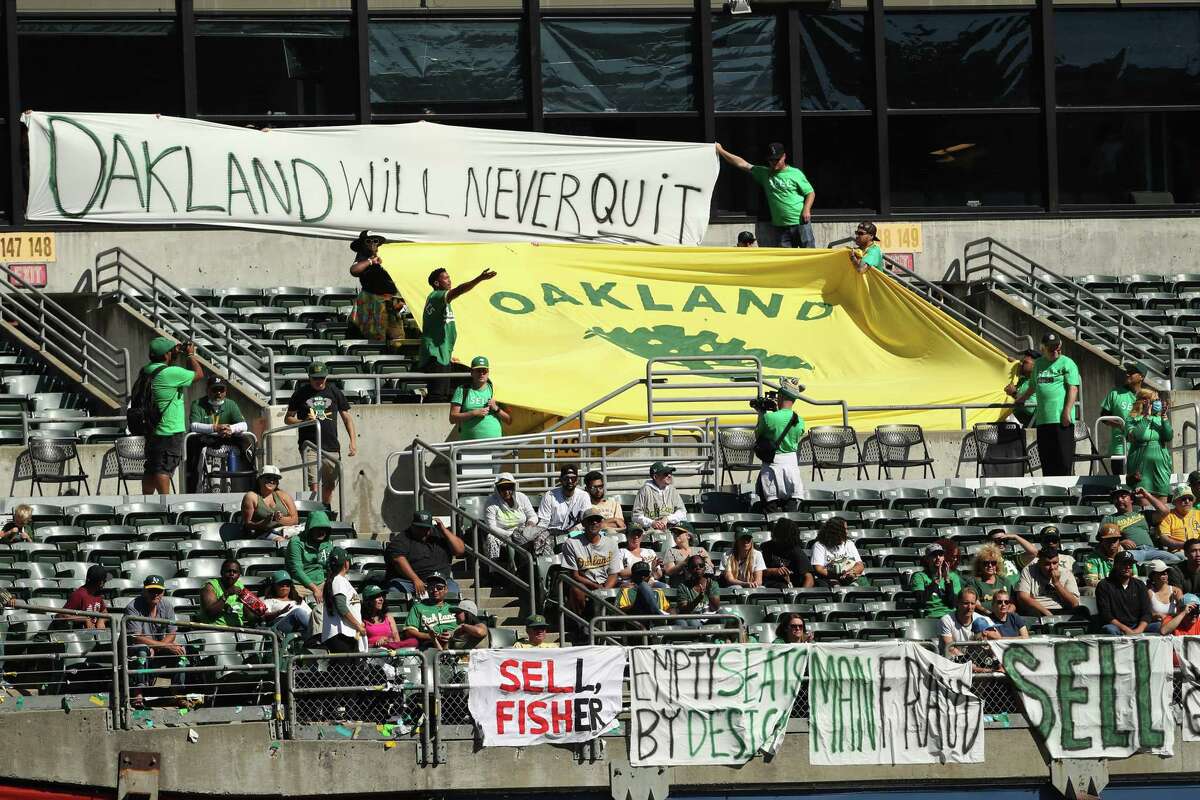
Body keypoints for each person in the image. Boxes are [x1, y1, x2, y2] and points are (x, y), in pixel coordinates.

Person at [418, 266, 498, 402]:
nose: (450, 280)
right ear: (437, 283)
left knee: (455, 390)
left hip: (443, 354)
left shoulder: (440, 301)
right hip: (436, 355)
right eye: (446, 278)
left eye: (449, 277)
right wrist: (479, 278)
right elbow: (459, 290)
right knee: (438, 396)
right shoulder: (437, 296)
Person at [715, 141, 816, 248]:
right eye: (771, 160)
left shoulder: (795, 173)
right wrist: (721, 151)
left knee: (809, 253)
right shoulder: (764, 173)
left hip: (800, 223)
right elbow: (742, 164)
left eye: (777, 159)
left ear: (784, 157)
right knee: (786, 259)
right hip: (781, 226)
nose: (774, 162)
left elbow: (810, 192)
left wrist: (806, 209)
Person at [284, 361, 357, 508]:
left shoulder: (334, 391)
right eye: (316, 378)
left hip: (331, 445)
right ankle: (315, 512)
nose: (319, 381)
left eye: (322, 378)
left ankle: (326, 511)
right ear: (309, 377)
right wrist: (302, 421)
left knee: (330, 485)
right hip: (310, 444)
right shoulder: (301, 393)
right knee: (314, 484)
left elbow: (346, 417)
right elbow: (288, 418)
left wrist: (353, 441)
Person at [141, 337, 203, 494]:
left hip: (151, 429)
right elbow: (199, 374)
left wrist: (174, 354)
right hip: (169, 430)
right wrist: (189, 355)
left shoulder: (146, 370)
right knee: (164, 469)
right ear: (166, 354)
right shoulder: (170, 373)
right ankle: (165, 503)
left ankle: (146, 501)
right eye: (171, 350)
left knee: (151, 468)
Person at [1014, 333, 1080, 477]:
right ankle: (1051, 495)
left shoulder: (1067, 363)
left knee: (1063, 461)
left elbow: (1073, 388)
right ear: (1043, 348)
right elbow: (1032, 386)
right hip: (1043, 420)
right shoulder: (1038, 364)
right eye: (1051, 348)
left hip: (1061, 420)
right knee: (1047, 461)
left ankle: (1065, 495)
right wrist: (1021, 399)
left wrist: (1066, 411)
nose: (1055, 351)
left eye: (1057, 347)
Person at [185, 375, 253, 493]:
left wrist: (230, 429)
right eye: (215, 390)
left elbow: (244, 425)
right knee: (193, 443)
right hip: (206, 441)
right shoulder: (197, 404)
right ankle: (195, 486)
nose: (218, 393)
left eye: (221, 390)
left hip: (227, 440)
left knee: (246, 441)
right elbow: (194, 425)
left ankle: (248, 484)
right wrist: (215, 428)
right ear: (207, 390)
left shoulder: (231, 404)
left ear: (226, 391)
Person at [124, 574, 184, 706]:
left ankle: (177, 693)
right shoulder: (133, 607)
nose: (155, 594)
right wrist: (162, 646)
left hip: (157, 647)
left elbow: (172, 633)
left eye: (159, 591)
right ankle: (138, 694)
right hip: (135, 649)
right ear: (144, 590)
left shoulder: (167, 606)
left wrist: (161, 646)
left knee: (181, 651)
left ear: (163, 592)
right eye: (151, 590)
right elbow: (136, 637)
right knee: (142, 651)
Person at [753, 377, 805, 513]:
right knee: (791, 509)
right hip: (792, 466)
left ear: (781, 396)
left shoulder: (769, 418)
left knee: (770, 509)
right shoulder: (800, 420)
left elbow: (758, 435)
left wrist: (761, 413)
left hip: (772, 466)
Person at [385, 512, 465, 598]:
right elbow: (398, 559)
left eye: (427, 528)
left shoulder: (439, 535)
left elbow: (460, 550)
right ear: (413, 526)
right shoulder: (401, 539)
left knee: (453, 591)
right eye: (420, 528)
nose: (424, 531)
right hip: (410, 582)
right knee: (395, 591)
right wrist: (415, 579)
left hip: (440, 581)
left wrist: (444, 530)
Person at [347, 230, 405, 345]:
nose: (373, 244)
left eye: (375, 241)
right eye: (369, 241)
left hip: (390, 301)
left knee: (397, 336)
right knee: (375, 335)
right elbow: (354, 270)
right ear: (364, 244)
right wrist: (370, 261)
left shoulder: (386, 255)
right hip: (372, 300)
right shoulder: (363, 257)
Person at [560, 508, 620, 616]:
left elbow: (614, 573)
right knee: (577, 589)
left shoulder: (611, 543)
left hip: (605, 583)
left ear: (602, 523)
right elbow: (574, 576)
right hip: (585, 583)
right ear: (583, 523)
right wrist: (597, 588)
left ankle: (619, 626)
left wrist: (605, 590)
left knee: (630, 588)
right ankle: (582, 623)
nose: (594, 522)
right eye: (590, 520)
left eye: (597, 520)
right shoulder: (571, 543)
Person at [1103, 486, 1182, 564]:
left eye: (1123, 497)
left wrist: (1147, 495)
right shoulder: (1110, 519)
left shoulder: (1143, 514)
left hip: (1152, 551)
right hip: (1132, 552)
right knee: (1122, 560)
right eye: (1116, 498)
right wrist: (1121, 543)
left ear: (1131, 499)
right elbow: (1103, 541)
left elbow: (1164, 511)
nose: (1119, 500)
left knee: (1175, 559)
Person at [286, 510, 334, 633]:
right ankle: (316, 638)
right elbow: (296, 570)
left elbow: (329, 567)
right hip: (300, 584)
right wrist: (315, 589)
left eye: (324, 529)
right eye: (317, 528)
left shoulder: (327, 544)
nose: (321, 532)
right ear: (309, 528)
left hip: (322, 582)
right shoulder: (296, 542)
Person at [483, 473, 548, 560]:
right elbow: (491, 527)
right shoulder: (491, 502)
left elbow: (533, 515)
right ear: (497, 489)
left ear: (513, 487)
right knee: (491, 538)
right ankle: (494, 568)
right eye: (502, 488)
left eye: (509, 487)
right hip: (503, 535)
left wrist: (530, 523)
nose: (506, 492)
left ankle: (542, 563)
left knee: (543, 537)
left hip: (523, 533)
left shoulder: (521, 497)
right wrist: (511, 535)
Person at [1124, 387, 1173, 500]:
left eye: (1158, 400)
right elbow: (1138, 436)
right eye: (1154, 400)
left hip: (1160, 465)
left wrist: (1164, 417)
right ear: (1144, 402)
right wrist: (1145, 417)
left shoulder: (1159, 418)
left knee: (1162, 504)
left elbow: (1168, 436)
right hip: (1141, 465)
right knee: (1144, 501)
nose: (1157, 403)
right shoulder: (1131, 419)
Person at [1098, 363, 1145, 476]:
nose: (1127, 374)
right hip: (1119, 445)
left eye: (1132, 372)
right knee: (1118, 480)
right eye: (1127, 371)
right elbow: (1104, 417)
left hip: (1140, 446)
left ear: (1141, 377)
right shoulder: (1115, 393)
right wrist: (1120, 425)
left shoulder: (1146, 396)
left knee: (1138, 481)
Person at [449, 356, 510, 441]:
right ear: (471, 372)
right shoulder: (462, 390)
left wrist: (496, 408)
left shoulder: (495, 390)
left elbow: (509, 420)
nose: (481, 373)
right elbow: (452, 418)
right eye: (478, 370)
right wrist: (473, 413)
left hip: (495, 444)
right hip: (469, 445)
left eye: (484, 371)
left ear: (488, 373)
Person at [1096, 550, 1156, 635]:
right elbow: (1106, 615)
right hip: (1116, 626)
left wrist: (1138, 630)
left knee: (1160, 626)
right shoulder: (1104, 585)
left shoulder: (1139, 585)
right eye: (1124, 564)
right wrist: (1125, 629)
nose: (1128, 567)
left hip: (1136, 626)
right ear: (1116, 565)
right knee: (1109, 629)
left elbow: (1146, 613)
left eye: (1130, 564)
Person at [322, 548, 367, 653]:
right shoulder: (338, 580)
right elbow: (341, 606)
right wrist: (358, 625)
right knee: (345, 668)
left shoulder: (336, 580)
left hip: (345, 635)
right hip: (342, 635)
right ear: (346, 564)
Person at [241, 465, 301, 542]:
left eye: (275, 479)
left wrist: (277, 519)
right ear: (260, 479)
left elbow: (295, 520)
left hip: (287, 531)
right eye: (268, 478)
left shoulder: (283, 495)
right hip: (262, 535)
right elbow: (247, 525)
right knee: (282, 541)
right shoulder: (251, 497)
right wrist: (264, 523)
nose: (272, 481)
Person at [1015, 545, 1080, 616]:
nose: (1052, 567)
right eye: (1047, 564)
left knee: (1082, 610)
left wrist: (1057, 584)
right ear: (1039, 563)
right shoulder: (1029, 570)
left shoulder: (1066, 573)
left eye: (1055, 563)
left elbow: (1074, 603)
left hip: (1061, 608)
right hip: (1038, 609)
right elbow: (1023, 597)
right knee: (1030, 611)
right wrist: (1047, 613)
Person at [403, 572, 458, 649]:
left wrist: (452, 634)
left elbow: (462, 628)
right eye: (431, 587)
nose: (435, 590)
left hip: (453, 645)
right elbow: (409, 632)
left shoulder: (454, 609)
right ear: (427, 589)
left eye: (439, 587)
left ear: (446, 589)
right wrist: (431, 636)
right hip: (429, 646)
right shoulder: (418, 607)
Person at [537, 464, 591, 539]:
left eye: (573, 478)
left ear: (577, 480)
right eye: (566, 478)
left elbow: (586, 520)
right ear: (561, 480)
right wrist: (542, 534)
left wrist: (572, 531)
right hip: (553, 534)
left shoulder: (583, 496)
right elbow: (544, 521)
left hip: (575, 534)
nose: (570, 481)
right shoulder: (550, 496)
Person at [198, 559, 256, 628]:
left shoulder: (240, 586)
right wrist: (226, 594)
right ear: (221, 572)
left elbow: (249, 616)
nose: (231, 574)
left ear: (239, 575)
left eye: (235, 572)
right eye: (228, 571)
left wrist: (257, 613)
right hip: (216, 630)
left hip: (238, 630)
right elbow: (210, 613)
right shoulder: (210, 587)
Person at [810, 517, 865, 587]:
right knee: (837, 587)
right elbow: (819, 569)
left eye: (846, 529)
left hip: (850, 575)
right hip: (830, 577)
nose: (846, 532)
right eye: (844, 529)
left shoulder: (849, 543)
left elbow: (860, 565)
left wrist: (851, 573)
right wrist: (839, 575)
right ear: (835, 531)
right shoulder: (819, 545)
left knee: (862, 585)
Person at [911, 543, 962, 619]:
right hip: (933, 617)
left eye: (941, 555)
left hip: (952, 617)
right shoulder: (919, 576)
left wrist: (947, 581)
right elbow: (921, 601)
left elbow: (952, 603)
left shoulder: (953, 577)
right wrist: (935, 582)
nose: (938, 558)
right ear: (927, 559)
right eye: (934, 555)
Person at [760, 517, 814, 589]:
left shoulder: (796, 551)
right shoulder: (766, 547)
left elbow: (809, 578)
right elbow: (758, 571)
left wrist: (800, 594)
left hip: (792, 586)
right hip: (770, 584)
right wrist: (774, 571)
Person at [632, 462, 687, 531]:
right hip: (651, 530)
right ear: (655, 477)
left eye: (670, 473)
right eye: (666, 474)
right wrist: (652, 523)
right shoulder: (645, 490)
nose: (669, 476)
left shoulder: (672, 490)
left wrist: (667, 518)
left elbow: (682, 513)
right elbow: (636, 516)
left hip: (672, 529)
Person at [361, 585, 418, 650]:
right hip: (373, 653)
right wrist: (376, 644)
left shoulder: (388, 617)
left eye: (382, 596)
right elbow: (360, 645)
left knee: (414, 641)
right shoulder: (362, 620)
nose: (381, 599)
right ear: (369, 600)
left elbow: (397, 641)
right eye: (377, 596)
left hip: (390, 650)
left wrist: (386, 640)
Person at [967, 543, 1017, 612]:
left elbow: (1012, 604)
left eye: (993, 563)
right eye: (986, 563)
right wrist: (990, 614)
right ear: (979, 565)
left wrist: (1007, 614)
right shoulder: (974, 582)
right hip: (984, 617)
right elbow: (975, 604)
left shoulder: (1005, 581)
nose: (990, 565)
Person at [260, 571, 312, 636]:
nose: (285, 586)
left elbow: (311, 615)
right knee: (298, 612)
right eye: (281, 584)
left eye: (287, 584)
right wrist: (280, 612)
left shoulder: (299, 601)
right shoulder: (268, 601)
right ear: (274, 586)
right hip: (280, 626)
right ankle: (318, 634)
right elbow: (265, 617)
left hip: (302, 625)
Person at [1151, 484, 1200, 551]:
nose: (1187, 501)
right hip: (1179, 551)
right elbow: (1164, 539)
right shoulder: (1168, 516)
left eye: (1190, 499)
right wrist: (1185, 546)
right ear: (1175, 502)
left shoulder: (1198, 514)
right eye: (1183, 498)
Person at [675, 554, 721, 625]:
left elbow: (715, 608)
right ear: (688, 569)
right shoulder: (683, 587)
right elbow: (684, 612)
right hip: (692, 619)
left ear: (705, 568)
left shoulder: (712, 584)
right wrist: (698, 599)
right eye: (694, 566)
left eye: (701, 566)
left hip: (709, 619)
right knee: (693, 622)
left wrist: (708, 593)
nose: (698, 568)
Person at [1003, 349, 1040, 428]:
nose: (1021, 364)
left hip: (1027, 428)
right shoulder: (1022, 380)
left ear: (1035, 366)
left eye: (1025, 362)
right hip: (1012, 424)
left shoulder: (1039, 383)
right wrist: (1010, 363)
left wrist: (1014, 393)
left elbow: (1031, 409)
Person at [1084, 524, 1123, 589]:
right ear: (1101, 541)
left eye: (1115, 539)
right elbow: (1091, 582)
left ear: (1119, 541)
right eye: (1108, 540)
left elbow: (1134, 578)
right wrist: (1113, 586)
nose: (1112, 543)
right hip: (1103, 592)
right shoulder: (1092, 559)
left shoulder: (1127, 556)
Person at [1146, 559, 1180, 624]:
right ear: (1153, 576)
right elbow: (1144, 614)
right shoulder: (1148, 592)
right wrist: (1156, 616)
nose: (1165, 573)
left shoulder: (1176, 591)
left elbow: (1183, 611)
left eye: (1166, 571)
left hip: (1174, 624)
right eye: (1161, 572)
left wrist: (1178, 602)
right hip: (1156, 625)